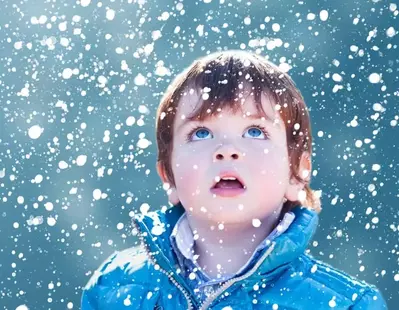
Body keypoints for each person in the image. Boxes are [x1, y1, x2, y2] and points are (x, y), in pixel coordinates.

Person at [81, 50, 387, 309]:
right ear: (169, 177)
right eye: (201, 133)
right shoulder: (115, 287)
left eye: (255, 131)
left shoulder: (346, 303)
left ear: (297, 172)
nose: (226, 150)